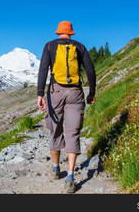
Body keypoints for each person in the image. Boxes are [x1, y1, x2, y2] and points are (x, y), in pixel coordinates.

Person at [37, 21, 96, 193]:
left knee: (55, 128)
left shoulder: (49, 46)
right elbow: (91, 71)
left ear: (58, 32)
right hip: (76, 93)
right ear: (71, 33)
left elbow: (43, 70)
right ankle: (70, 176)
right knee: (73, 131)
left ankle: (55, 169)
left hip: (55, 91)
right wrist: (91, 92)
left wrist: (40, 94)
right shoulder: (80, 47)